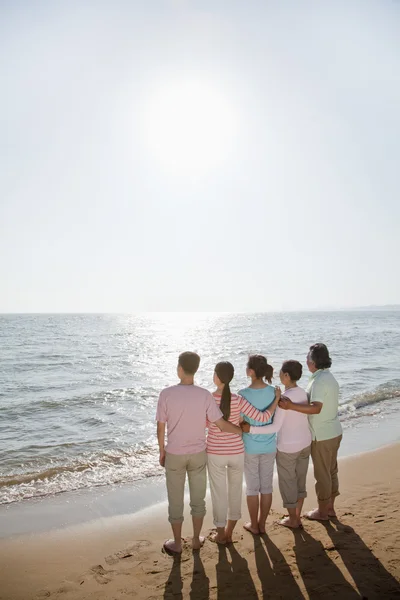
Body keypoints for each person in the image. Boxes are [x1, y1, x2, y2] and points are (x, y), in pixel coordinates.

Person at [156, 351, 242, 555]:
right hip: (198, 454)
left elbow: (160, 427)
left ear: (179, 369)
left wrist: (162, 451)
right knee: (198, 499)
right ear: (196, 369)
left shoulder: (166, 394)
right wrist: (240, 430)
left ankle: (177, 543)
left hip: (174, 454)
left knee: (175, 500)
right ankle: (195, 539)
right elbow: (220, 424)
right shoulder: (204, 394)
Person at [207, 361, 280, 544]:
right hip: (237, 452)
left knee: (219, 494)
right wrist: (276, 401)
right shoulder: (239, 399)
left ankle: (220, 534)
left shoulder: (208, 399)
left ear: (217, 377)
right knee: (235, 492)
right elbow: (263, 417)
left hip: (216, 452)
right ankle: (229, 532)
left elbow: (204, 424)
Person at [241, 360, 311, 529]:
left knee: (259, 487)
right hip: (285, 445)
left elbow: (272, 425)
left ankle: (261, 525)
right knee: (275, 486)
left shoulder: (244, 394)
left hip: (265, 447)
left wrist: (250, 429)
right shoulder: (287, 393)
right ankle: (275, 522)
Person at [279, 344, 342, 521]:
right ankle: (329, 508)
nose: (306, 361)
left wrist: (290, 406)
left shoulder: (320, 381)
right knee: (331, 472)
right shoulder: (328, 377)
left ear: (313, 362)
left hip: (323, 436)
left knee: (323, 475)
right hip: (334, 431)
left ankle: (322, 512)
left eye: (308, 358)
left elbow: (316, 408)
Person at [239, 354, 280, 534]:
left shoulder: (242, 395)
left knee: (252, 488)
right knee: (267, 487)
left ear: (251, 371)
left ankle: (254, 525)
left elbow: (240, 423)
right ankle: (262, 524)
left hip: (250, 447)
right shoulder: (274, 392)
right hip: (270, 446)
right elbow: (276, 419)